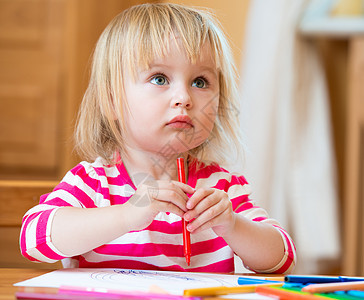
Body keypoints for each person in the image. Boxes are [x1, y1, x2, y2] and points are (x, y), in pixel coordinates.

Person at [20, 3, 296, 273]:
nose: (184, 98)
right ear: (112, 101)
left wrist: (234, 225)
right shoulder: (93, 183)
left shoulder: (222, 188)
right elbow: (32, 239)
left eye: (200, 82)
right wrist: (128, 214)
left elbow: (283, 257)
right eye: (160, 79)